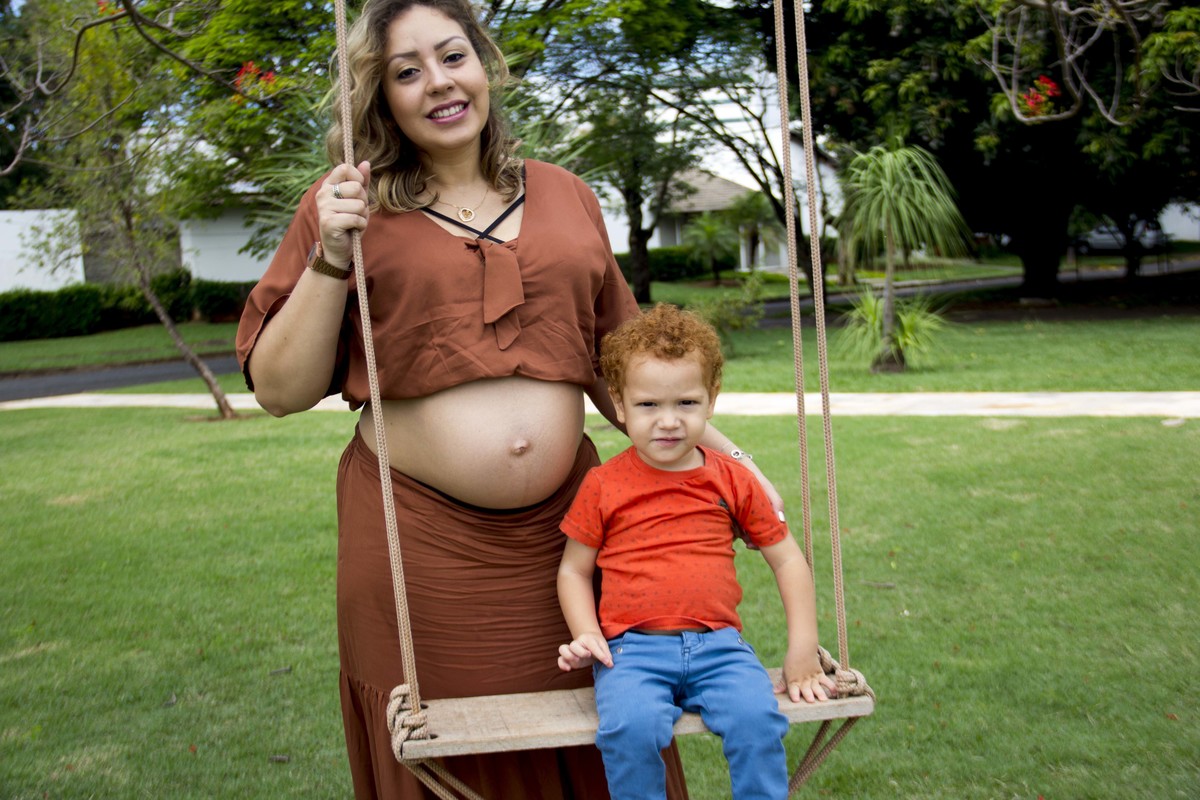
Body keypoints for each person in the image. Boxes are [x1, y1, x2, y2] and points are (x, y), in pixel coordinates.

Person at [235, 1, 784, 797]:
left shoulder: (567, 196)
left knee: (604, 733)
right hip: (417, 547)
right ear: (380, 97)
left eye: (452, 56)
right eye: (406, 71)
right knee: (445, 757)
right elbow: (279, 392)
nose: (438, 83)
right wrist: (331, 258)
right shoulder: (346, 203)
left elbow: (628, 370)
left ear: (484, 63)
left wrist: (730, 462)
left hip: (577, 540)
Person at [556, 304, 837, 800]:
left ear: (712, 402)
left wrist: (802, 648)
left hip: (721, 649)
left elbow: (788, 559)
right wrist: (587, 634)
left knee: (758, 721)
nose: (668, 422)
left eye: (686, 403)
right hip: (631, 651)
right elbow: (573, 572)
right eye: (648, 406)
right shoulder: (603, 485)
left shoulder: (731, 480)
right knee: (631, 728)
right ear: (618, 405)